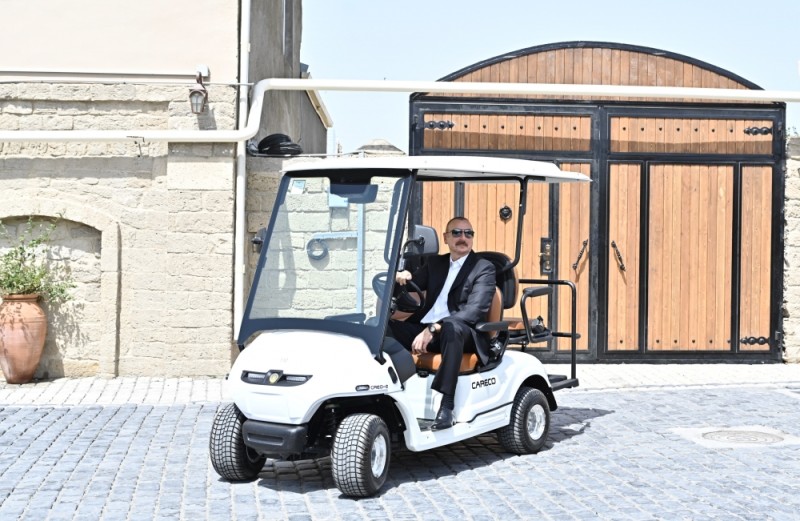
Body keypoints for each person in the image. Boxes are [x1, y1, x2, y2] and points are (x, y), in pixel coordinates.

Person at [389, 217, 496, 430]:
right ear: (446, 238)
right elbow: (410, 288)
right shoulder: (435, 264)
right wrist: (400, 279)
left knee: (450, 328)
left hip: (463, 332)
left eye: (468, 233)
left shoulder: (483, 268)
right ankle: (392, 392)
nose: (463, 237)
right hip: (427, 328)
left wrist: (434, 327)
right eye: (456, 233)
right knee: (384, 328)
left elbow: (474, 311)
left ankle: (447, 406)